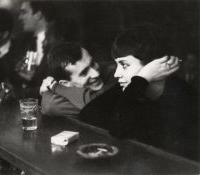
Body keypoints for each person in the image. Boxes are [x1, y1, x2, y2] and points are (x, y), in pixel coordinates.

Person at [82, 23, 198, 160]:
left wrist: (141, 78)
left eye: (124, 65)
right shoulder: (134, 87)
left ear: (155, 65)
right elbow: (87, 115)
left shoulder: (184, 98)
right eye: (117, 64)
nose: (117, 74)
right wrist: (141, 79)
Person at [40, 42, 179, 120]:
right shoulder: (61, 89)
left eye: (92, 63)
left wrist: (54, 88)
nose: (96, 72)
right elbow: (49, 105)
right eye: (84, 73)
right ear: (66, 84)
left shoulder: (116, 72)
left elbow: (96, 106)